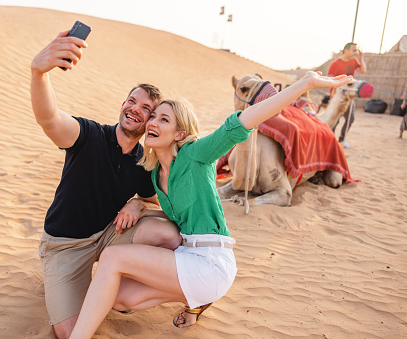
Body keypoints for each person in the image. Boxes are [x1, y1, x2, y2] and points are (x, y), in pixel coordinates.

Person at [69, 71, 353, 338]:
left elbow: (242, 122)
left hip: (210, 261)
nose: (152, 123)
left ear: (180, 134)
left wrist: (304, 83)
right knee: (121, 298)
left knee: (112, 259)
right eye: (152, 117)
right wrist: (140, 205)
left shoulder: (195, 155)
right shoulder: (156, 175)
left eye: (164, 120)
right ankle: (197, 302)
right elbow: (175, 217)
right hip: (189, 257)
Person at [30, 30, 182, 338]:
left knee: (169, 235)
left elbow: (158, 200)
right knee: (69, 331)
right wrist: (39, 74)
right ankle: (63, 280)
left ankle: (121, 293)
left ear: (151, 122)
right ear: (123, 104)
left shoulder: (143, 162)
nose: (135, 110)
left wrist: (136, 202)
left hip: (108, 236)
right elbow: (50, 120)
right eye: (132, 101)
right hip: (64, 245)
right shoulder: (87, 135)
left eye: (146, 110)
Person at [328, 42, 367, 148]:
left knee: (350, 118)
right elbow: (330, 79)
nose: (355, 52)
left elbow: (363, 70)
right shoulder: (336, 63)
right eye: (354, 50)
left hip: (349, 96)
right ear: (346, 50)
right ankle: (330, 140)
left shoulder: (354, 61)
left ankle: (342, 140)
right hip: (338, 96)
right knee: (335, 118)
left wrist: (361, 58)